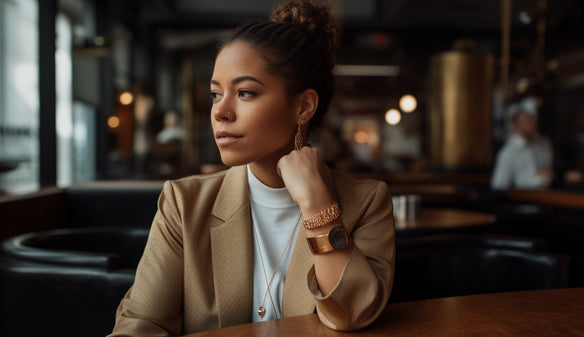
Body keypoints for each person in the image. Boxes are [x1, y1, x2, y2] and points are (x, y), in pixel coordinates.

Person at [109, 1, 395, 335]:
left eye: (245, 92)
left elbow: (352, 314)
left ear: (303, 107)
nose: (220, 112)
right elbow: (140, 324)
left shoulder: (367, 202)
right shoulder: (183, 204)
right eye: (216, 94)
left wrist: (320, 210)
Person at [491, 110, 554, 190]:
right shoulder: (508, 152)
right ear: (516, 126)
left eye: (532, 120)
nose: (533, 124)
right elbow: (499, 185)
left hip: (548, 195)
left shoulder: (545, 143)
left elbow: (550, 171)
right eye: (527, 121)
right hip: (523, 197)